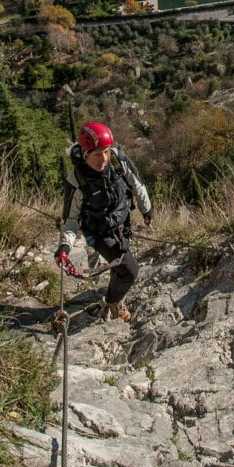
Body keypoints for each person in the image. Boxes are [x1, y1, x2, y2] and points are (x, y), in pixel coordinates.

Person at [54, 121, 152, 322]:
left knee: (119, 264)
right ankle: (112, 303)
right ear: (85, 153)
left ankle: (113, 295)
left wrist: (146, 210)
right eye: (98, 154)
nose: (104, 159)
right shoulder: (77, 180)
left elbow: (136, 183)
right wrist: (64, 246)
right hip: (97, 233)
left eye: (106, 152)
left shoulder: (117, 160)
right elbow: (71, 219)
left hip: (122, 224)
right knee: (129, 271)